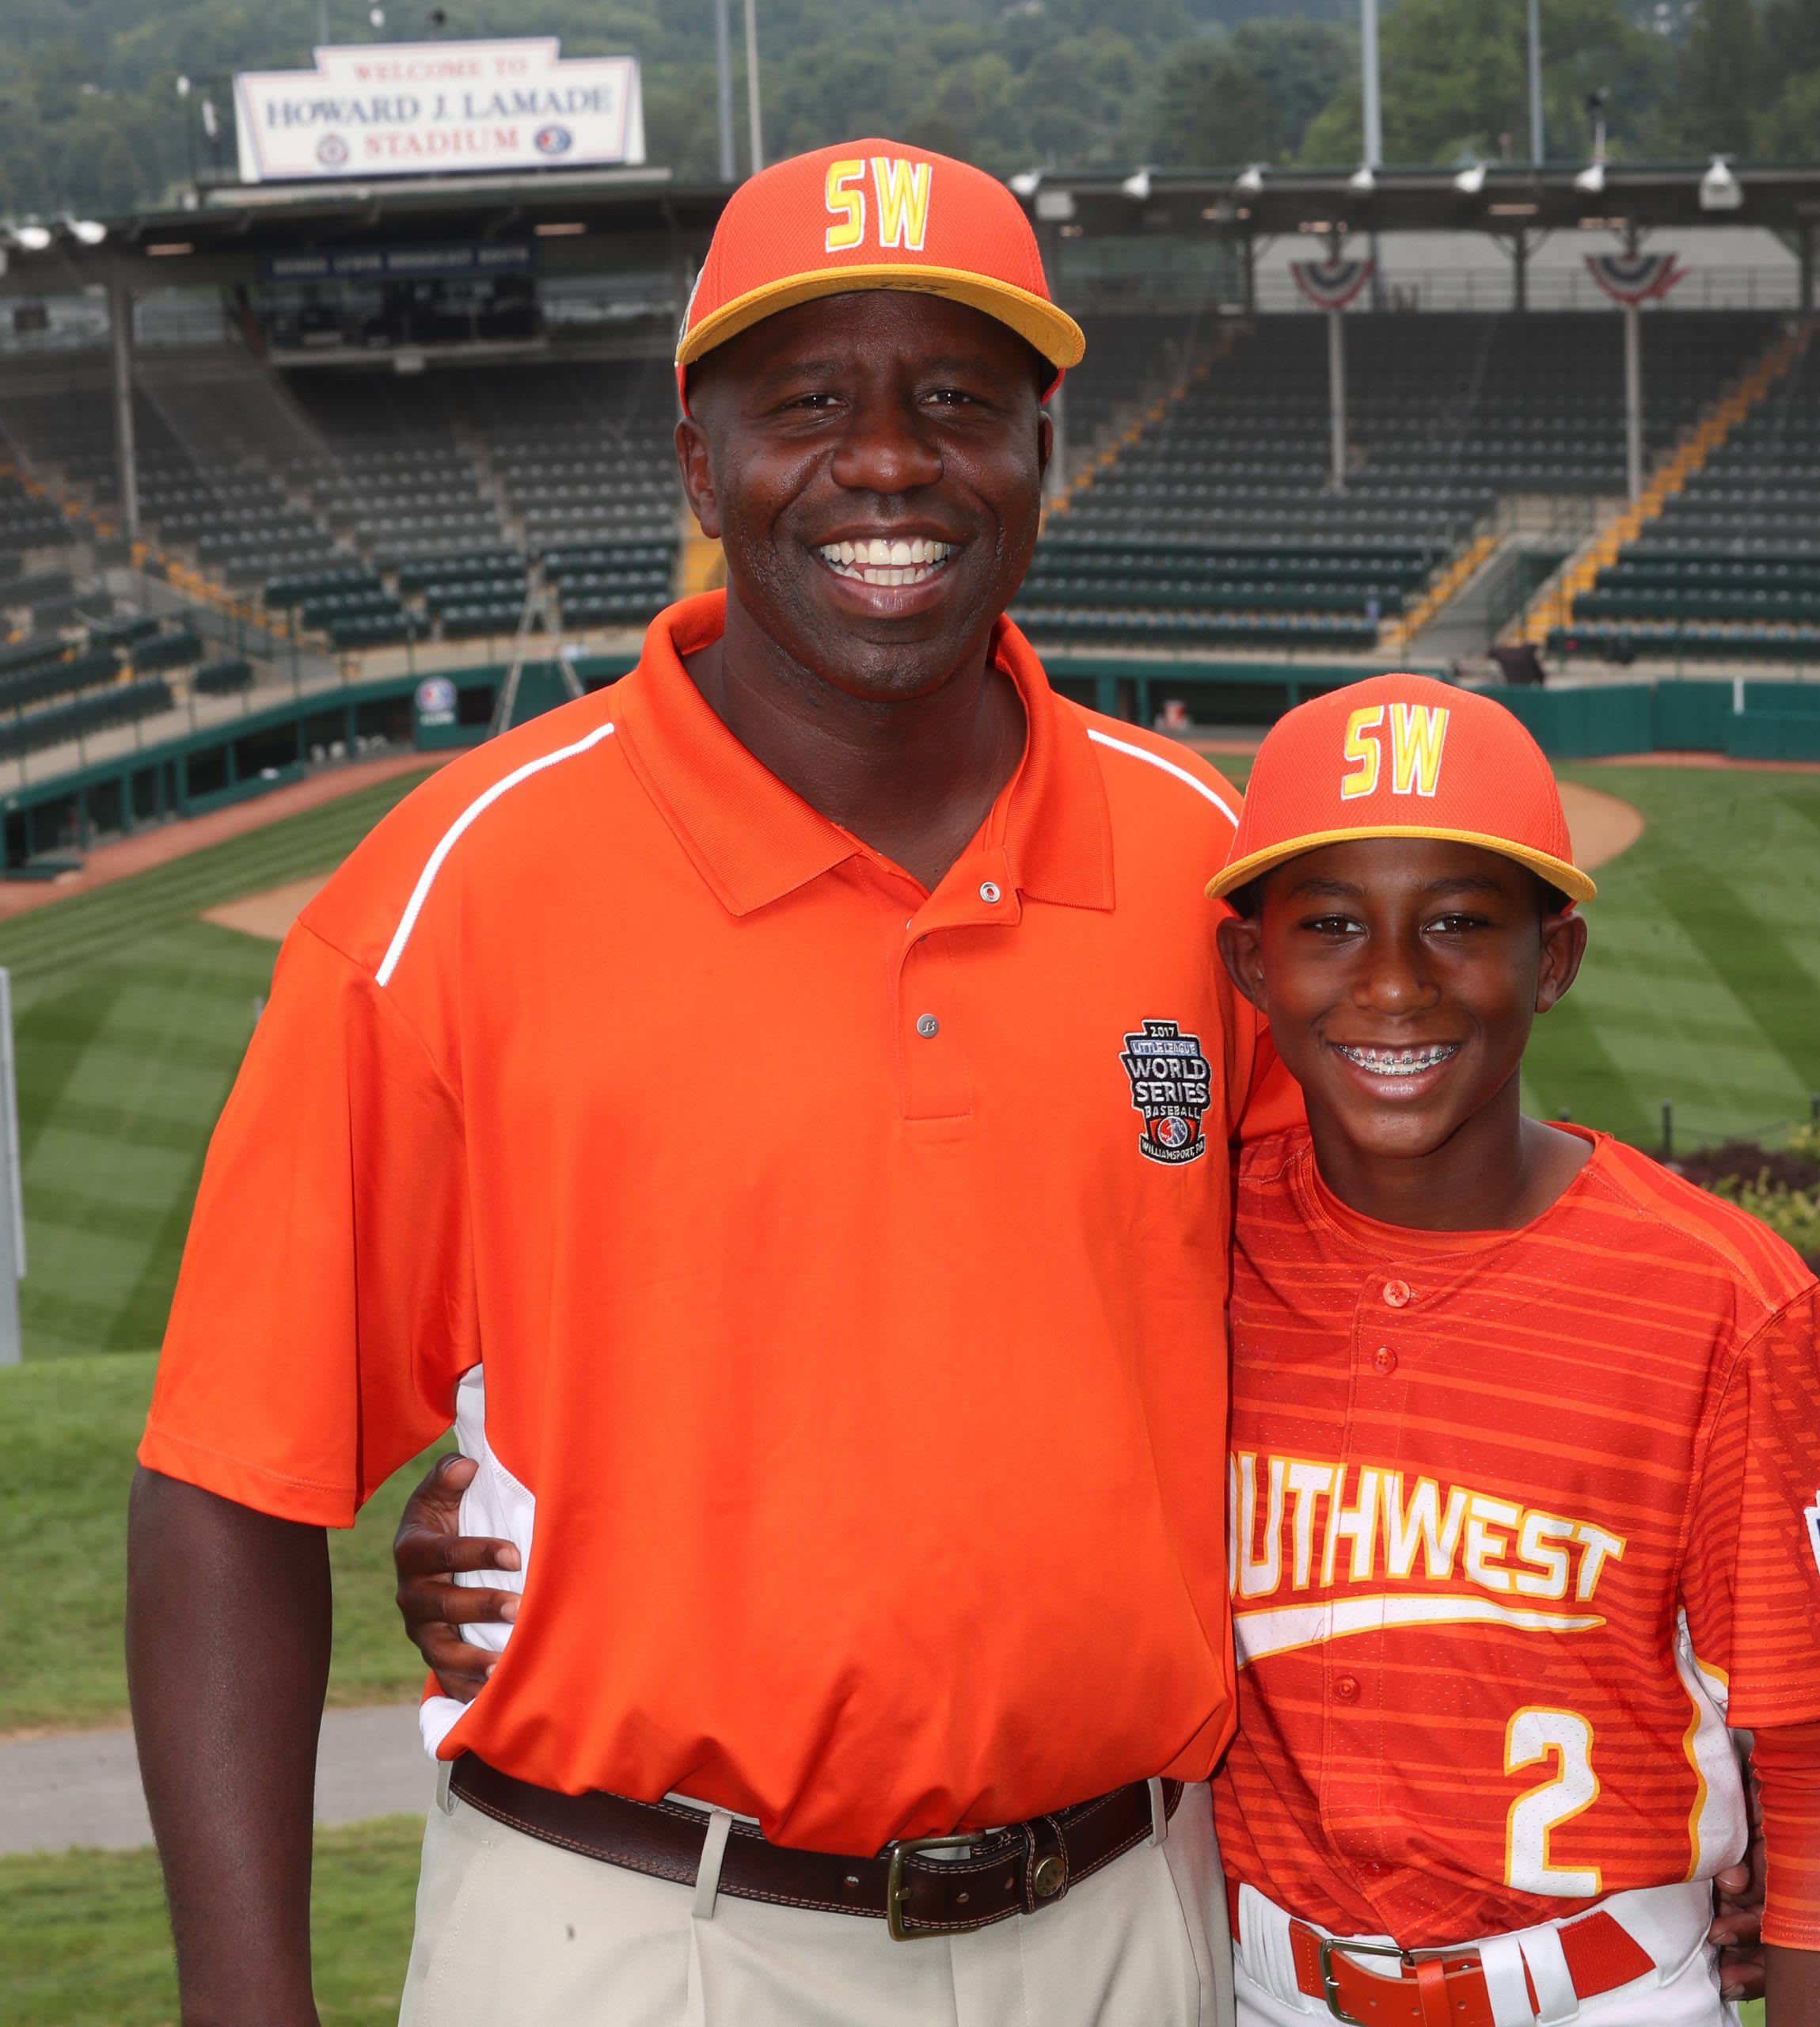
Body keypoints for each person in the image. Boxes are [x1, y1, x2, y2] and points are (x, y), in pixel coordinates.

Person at [127, 141, 1276, 2027]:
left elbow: (1375, 1357)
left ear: (1041, 448)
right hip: (637, 1932)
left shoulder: (1206, 871)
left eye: (955, 400)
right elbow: (227, 1489)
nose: (888, 460)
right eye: (807, 399)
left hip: (1129, 1916)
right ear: (695, 458)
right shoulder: (460, 885)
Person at [1202, 676, 1820, 2026]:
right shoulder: (1190, 1245)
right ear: (1255, 967)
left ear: (1555, 957)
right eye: (1332, 925)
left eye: (1462, 923)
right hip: (1250, 1986)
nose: (1396, 983)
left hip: (1600, 1994)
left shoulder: (1723, 1298)